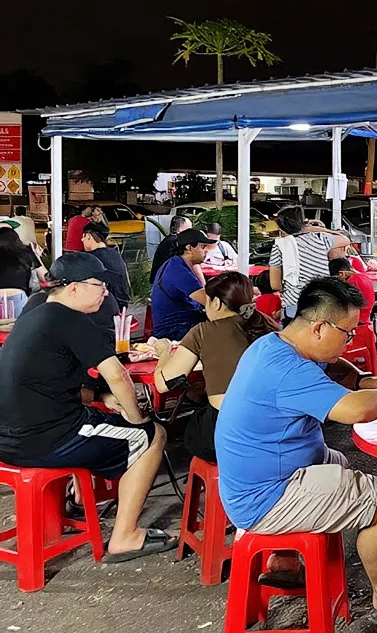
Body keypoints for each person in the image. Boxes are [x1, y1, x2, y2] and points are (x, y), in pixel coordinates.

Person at [215, 278, 377, 618]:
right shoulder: (288, 370)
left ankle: (285, 556)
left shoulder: (273, 344)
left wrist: (359, 379)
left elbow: (332, 365)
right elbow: (357, 411)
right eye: (348, 332)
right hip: (266, 497)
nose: (351, 339)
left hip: (261, 476)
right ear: (320, 328)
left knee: (338, 461)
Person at [0, 253, 175, 562]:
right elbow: (118, 375)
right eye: (99, 285)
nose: (105, 292)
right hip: (43, 441)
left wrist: (105, 399)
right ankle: (125, 537)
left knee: (101, 418)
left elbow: (53, 383)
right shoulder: (69, 318)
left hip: (8, 439)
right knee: (152, 435)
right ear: (74, 288)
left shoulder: (36, 314)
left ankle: (78, 499)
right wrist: (136, 417)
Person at [151, 272, 276, 462]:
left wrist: (164, 353)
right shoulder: (268, 326)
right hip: (272, 429)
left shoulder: (203, 331)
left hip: (227, 434)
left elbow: (164, 384)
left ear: (216, 303)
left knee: (194, 424)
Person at [270, 205, 350, 320]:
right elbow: (345, 239)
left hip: (293, 305)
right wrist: (316, 229)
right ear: (303, 222)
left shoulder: (279, 246)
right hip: (321, 302)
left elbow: (275, 284)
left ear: (281, 227)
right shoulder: (320, 238)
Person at [151, 228, 212, 340]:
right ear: (189, 248)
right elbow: (208, 301)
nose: (206, 251)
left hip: (181, 325)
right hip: (174, 331)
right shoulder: (179, 271)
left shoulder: (175, 263)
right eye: (202, 247)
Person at [82, 220, 131, 309]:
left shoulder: (93, 257)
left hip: (107, 306)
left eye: (83, 237)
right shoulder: (114, 253)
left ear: (88, 236)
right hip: (122, 303)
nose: (82, 240)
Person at [0, 226, 46, 317]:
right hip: (18, 295)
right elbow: (46, 277)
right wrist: (37, 257)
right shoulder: (26, 253)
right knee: (18, 328)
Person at [329, 257, 376, 324]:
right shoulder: (364, 277)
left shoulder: (350, 284)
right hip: (366, 317)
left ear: (341, 274)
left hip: (355, 321)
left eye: (335, 279)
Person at [151, 214, 192, 282]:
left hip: (161, 280)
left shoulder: (170, 239)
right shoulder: (175, 242)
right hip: (162, 283)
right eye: (189, 229)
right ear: (179, 229)